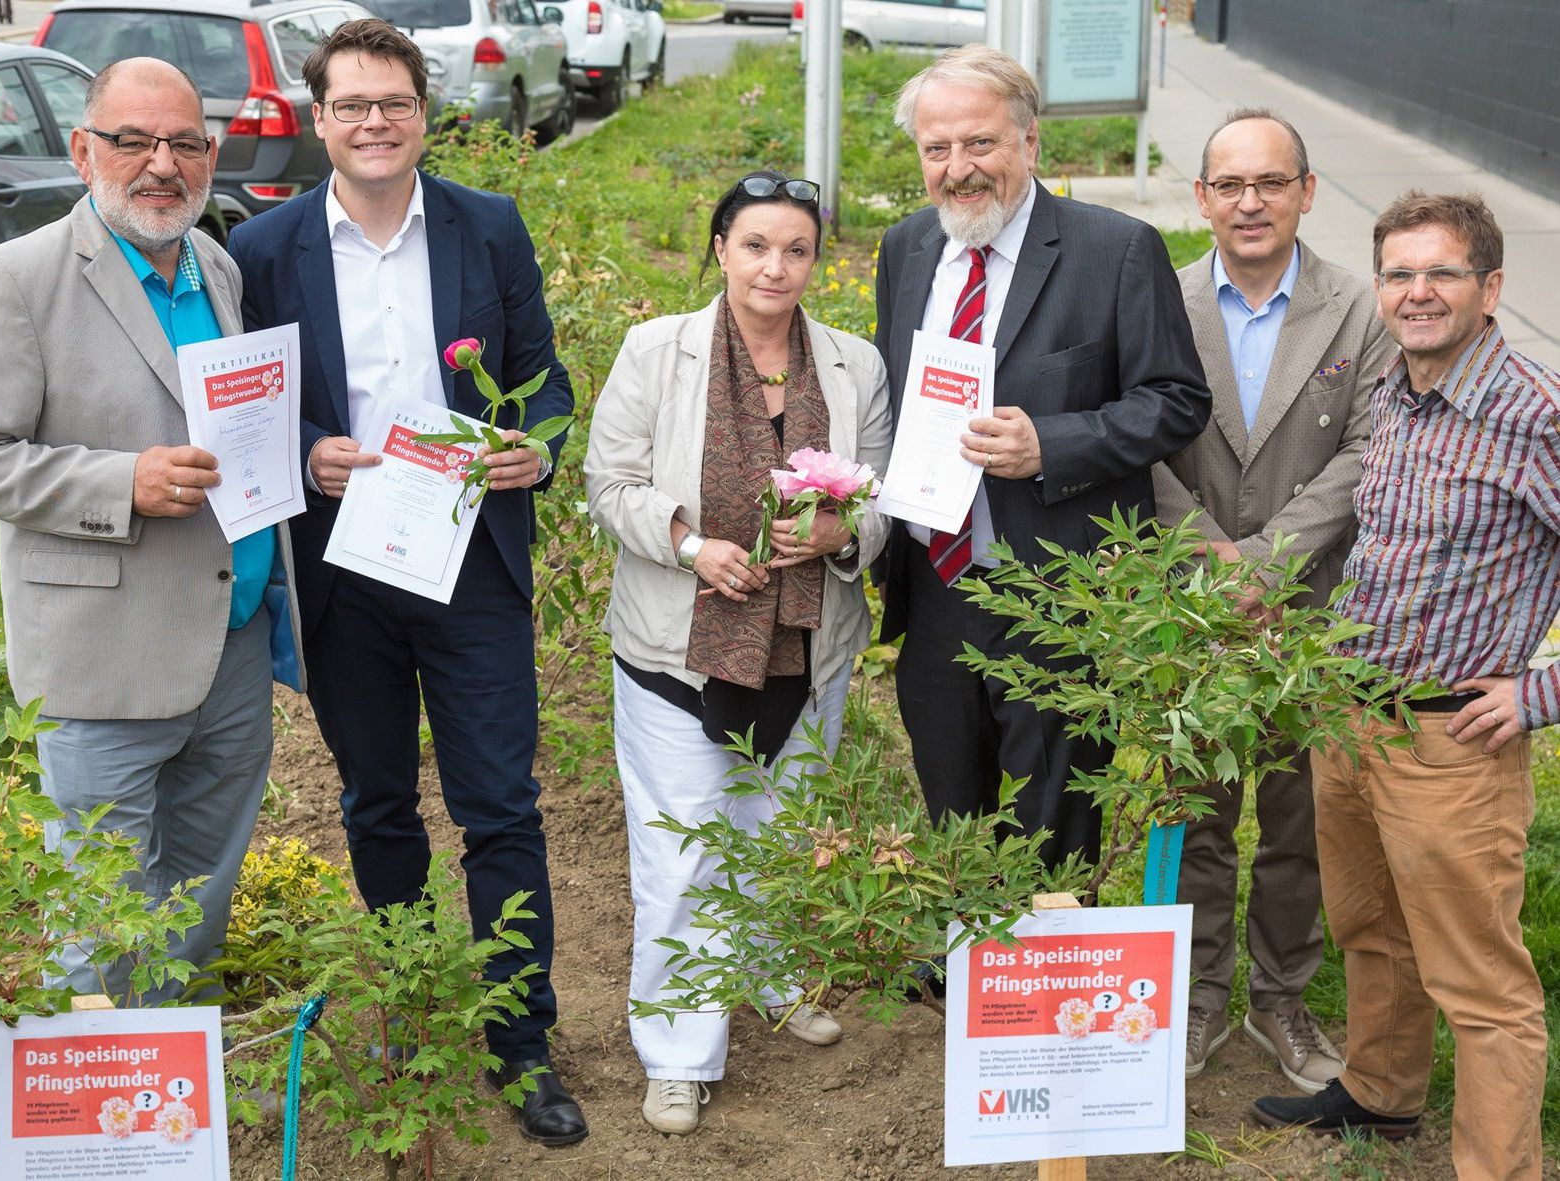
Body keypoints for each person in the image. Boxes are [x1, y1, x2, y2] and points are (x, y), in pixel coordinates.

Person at [226, 19, 585, 1145]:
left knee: (500, 806)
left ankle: (519, 1038)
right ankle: (412, 1005)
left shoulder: (488, 226)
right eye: (351, 106)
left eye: (393, 104)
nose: (373, 124)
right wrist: (305, 452)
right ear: (317, 117)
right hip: (344, 566)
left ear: (425, 114)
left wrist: (541, 448)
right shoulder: (263, 246)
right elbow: (246, 408)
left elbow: (544, 380)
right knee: (376, 800)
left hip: (468, 557)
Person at [1253, 192, 1555, 1180]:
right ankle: (1380, 1095)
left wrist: (1536, 695)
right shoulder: (1392, 393)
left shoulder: (1531, 417)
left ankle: (1494, 1167)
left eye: (1440, 273)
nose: (1415, 292)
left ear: (1489, 288)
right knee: (1369, 930)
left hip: (1451, 746)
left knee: (1479, 983)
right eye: (1397, 273)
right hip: (1349, 723)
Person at [0, 57, 302, 1002]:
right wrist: (125, 481)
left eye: (185, 142)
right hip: (105, 656)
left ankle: (170, 1098)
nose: (162, 163)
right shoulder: (17, 279)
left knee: (200, 892)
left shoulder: (217, 262)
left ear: (210, 157)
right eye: (134, 140)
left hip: (233, 640)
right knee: (100, 915)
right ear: (85, 150)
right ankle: (98, 1124)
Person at [584, 170, 892, 1136]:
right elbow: (610, 482)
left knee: (779, 832)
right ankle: (677, 1050)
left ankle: (769, 971)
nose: (775, 264)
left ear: (818, 263)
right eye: (755, 244)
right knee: (680, 853)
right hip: (677, 650)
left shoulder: (854, 364)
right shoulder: (654, 351)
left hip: (806, 649)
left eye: (796, 248)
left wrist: (841, 537)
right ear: (720, 249)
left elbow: (882, 500)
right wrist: (690, 545)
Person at [874, 45, 1211, 878]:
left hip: (1057, 595)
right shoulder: (907, 248)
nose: (959, 168)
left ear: (1031, 142)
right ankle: (967, 975)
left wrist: (1049, 445)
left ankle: (1042, 996)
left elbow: (1176, 399)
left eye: (980, 143)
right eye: (937, 148)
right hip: (937, 583)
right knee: (950, 810)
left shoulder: (1118, 249)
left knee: (1055, 831)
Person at [1153, 108, 1393, 1091]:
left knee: (1299, 817)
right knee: (1191, 808)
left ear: (1305, 191)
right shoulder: (1157, 304)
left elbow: (1369, 448)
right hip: (1185, 605)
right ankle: (1198, 991)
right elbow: (1139, 445)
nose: (1247, 201)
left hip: (1310, 606)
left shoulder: (1360, 310)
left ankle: (1279, 994)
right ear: (1200, 197)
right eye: (1227, 184)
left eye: (1269, 181)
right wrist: (1213, 560)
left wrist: (1267, 559)